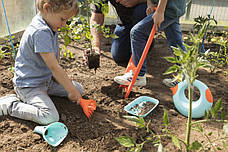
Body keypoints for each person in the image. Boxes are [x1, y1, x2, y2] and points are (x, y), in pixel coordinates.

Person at [0, 0, 83, 125]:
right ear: (47, 8)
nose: (64, 24)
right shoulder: (40, 31)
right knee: (49, 117)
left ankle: (47, 92)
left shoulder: (49, 22)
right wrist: (70, 90)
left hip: (46, 81)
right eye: (62, 19)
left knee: (79, 89)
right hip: (30, 85)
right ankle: (9, 105)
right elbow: (54, 67)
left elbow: (54, 56)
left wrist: (70, 88)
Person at [114, 0, 186, 87]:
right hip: (174, 7)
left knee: (137, 32)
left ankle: (138, 75)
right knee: (175, 41)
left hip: (169, 8)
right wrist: (150, 3)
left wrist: (160, 12)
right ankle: (185, 75)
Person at [89, 0, 153, 64]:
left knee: (139, 12)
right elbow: (96, 18)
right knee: (119, 55)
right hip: (125, 21)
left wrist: (137, 1)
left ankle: (146, 37)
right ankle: (141, 42)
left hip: (143, 13)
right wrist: (96, 46)